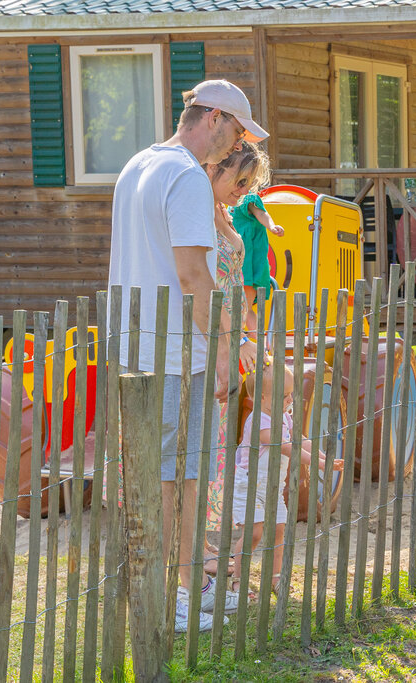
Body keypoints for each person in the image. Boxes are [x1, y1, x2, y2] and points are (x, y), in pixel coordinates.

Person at [107, 78, 267, 633]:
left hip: (136, 348)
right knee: (179, 476)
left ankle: (178, 583)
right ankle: (175, 592)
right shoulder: (184, 176)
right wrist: (224, 352)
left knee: (162, 473)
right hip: (178, 352)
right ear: (216, 118)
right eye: (238, 131)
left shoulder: (138, 164)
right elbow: (193, 274)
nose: (236, 144)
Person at [200, 142, 271, 572]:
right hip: (206, 334)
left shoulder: (225, 214)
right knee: (202, 440)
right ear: (215, 169)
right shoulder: (197, 213)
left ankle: (201, 544)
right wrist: (236, 337)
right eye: (238, 180)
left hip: (231, 335)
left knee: (219, 437)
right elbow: (202, 283)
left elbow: (234, 282)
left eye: (250, 184)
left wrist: (251, 332)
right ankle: (192, 549)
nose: (243, 191)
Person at [229, 362, 342, 596]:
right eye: (284, 396)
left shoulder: (283, 417)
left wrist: (326, 456)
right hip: (250, 486)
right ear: (261, 398)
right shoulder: (259, 422)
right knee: (254, 533)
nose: (290, 400)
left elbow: (300, 440)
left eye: (291, 394)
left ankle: (275, 577)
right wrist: (320, 464)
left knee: (279, 530)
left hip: (272, 487)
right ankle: (239, 579)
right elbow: (288, 448)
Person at [231, 180, 284, 333]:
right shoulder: (229, 203)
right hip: (236, 267)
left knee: (244, 310)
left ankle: (260, 347)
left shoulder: (248, 198)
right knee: (240, 310)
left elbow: (262, 213)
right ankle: (258, 346)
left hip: (248, 267)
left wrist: (272, 226)